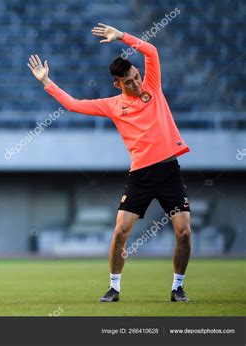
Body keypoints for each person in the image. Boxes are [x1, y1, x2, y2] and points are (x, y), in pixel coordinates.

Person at [28, 23, 191, 302]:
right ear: (118, 84)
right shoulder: (113, 105)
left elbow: (152, 51)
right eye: (129, 82)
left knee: (184, 232)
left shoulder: (152, 86)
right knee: (120, 233)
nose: (137, 84)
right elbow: (73, 104)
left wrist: (122, 36)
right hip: (140, 175)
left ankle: (177, 287)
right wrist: (46, 81)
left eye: (137, 77)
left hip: (168, 171)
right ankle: (114, 287)